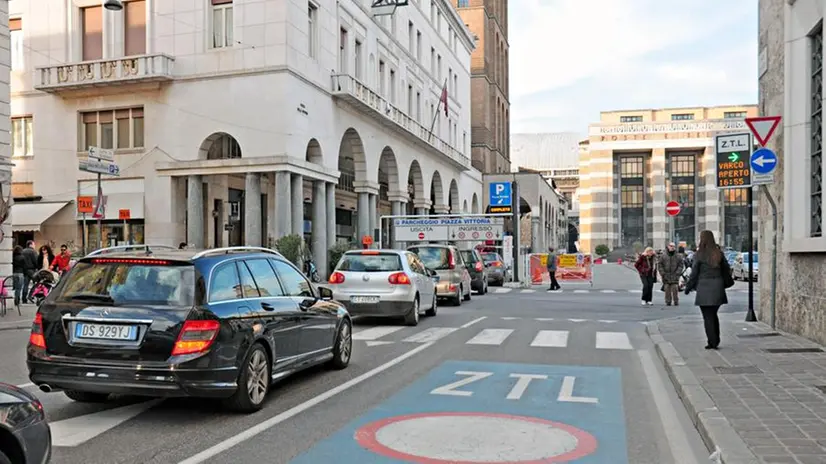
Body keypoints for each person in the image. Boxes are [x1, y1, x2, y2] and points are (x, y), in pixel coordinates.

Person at [684, 230, 733, 350]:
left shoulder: (699, 254)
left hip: (704, 287)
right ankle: (716, 339)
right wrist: (725, 283)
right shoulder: (718, 253)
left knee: (707, 316)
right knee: (713, 314)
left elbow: (694, 273)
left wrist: (688, 287)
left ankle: (712, 341)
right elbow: (726, 270)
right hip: (717, 286)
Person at [658, 242, 684, 306]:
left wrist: (678, 272)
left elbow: (681, 265)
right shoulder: (663, 256)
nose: (672, 247)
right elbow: (660, 265)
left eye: (674, 246)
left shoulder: (678, 256)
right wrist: (662, 273)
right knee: (667, 289)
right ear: (668, 246)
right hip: (666, 275)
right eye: (671, 246)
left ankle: (676, 301)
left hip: (675, 275)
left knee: (675, 288)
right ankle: (668, 301)